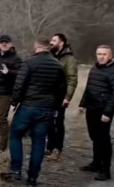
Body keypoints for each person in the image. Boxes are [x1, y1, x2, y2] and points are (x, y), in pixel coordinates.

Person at [0, 38, 66, 186]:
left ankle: (15, 171)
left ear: (36, 46)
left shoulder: (29, 63)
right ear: (48, 47)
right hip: (47, 108)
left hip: (29, 106)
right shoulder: (57, 65)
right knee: (39, 141)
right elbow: (62, 89)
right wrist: (56, 107)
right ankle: (33, 177)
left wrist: (14, 102)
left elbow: (19, 84)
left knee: (15, 135)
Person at [78, 45, 114, 181]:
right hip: (92, 107)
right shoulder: (94, 68)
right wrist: (82, 104)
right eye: (99, 54)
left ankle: (105, 170)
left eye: (104, 54)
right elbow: (89, 87)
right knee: (94, 137)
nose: (101, 56)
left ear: (110, 55)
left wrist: (108, 112)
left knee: (103, 139)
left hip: (104, 109)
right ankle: (96, 163)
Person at [46, 33, 78, 161]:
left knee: (58, 122)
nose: (51, 42)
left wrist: (68, 97)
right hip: (48, 96)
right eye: (51, 40)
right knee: (48, 122)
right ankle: (49, 147)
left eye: (54, 40)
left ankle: (57, 149)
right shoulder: (50, 55)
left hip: (60, 96)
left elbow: (72, 79)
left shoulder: (69, 59)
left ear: (62, 43)